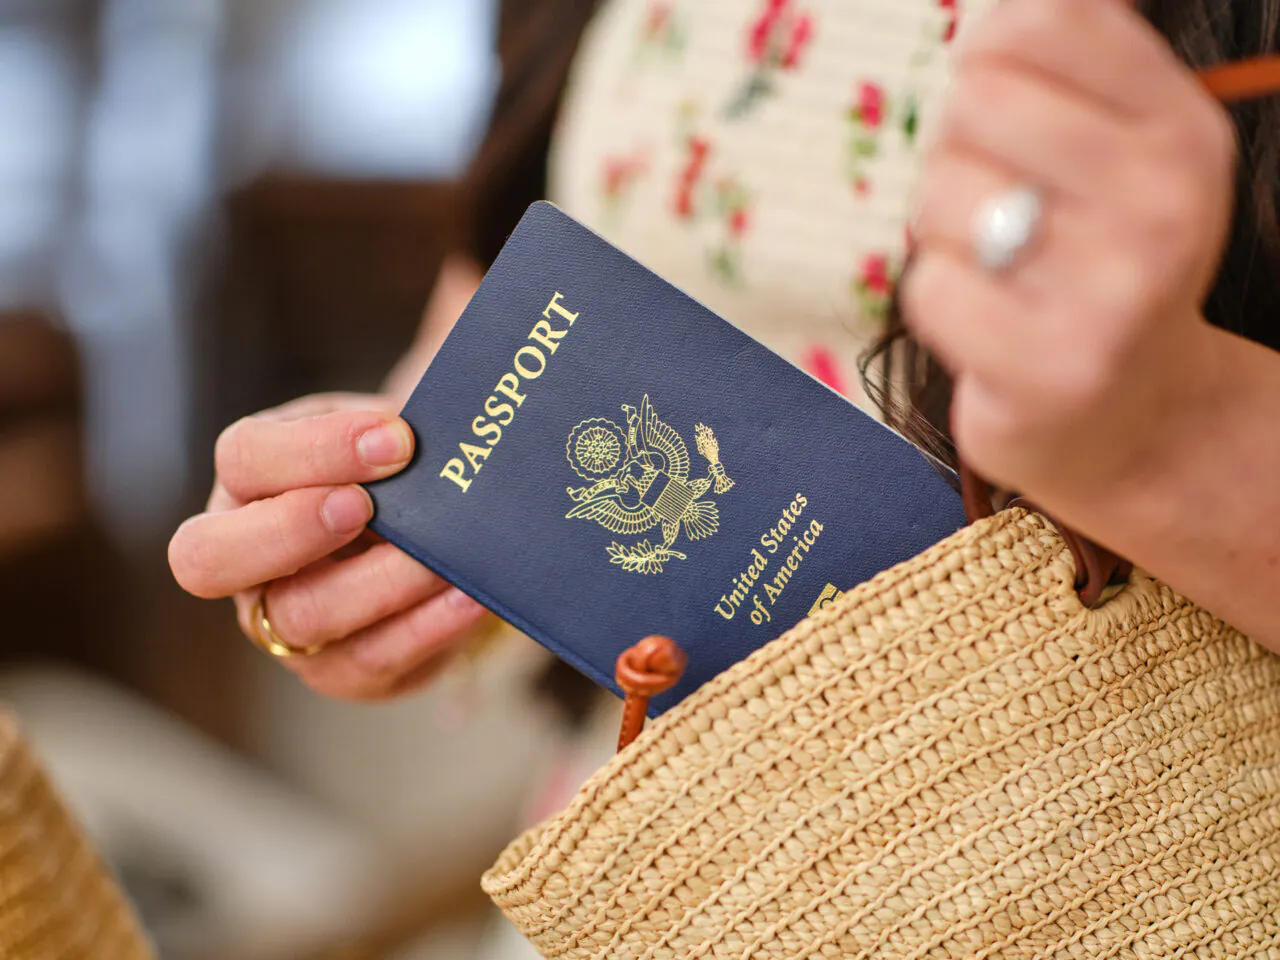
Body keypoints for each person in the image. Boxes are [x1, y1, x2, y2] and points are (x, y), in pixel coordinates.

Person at [171, 0, 1280, 711]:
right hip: (705, 864)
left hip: (1114, 854)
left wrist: (1161, 436)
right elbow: (479, 359)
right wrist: (359, 539)